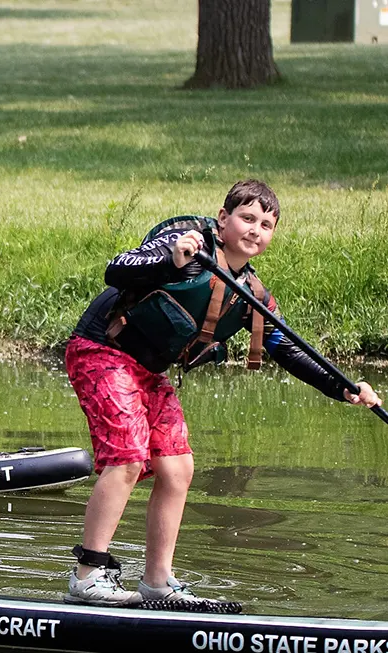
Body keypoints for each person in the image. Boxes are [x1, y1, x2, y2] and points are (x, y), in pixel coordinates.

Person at [63, 179, 381, 606]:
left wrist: (344, 388)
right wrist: (170, 261)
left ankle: (157, 581)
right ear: (223, 219)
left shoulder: (252, 295)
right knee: (128, 457)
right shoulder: (186, 245)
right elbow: (117, 270)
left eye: (266, 225)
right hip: (101, 351)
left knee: (179, 468)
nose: (255, 230)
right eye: (247, 218)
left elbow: (286, 348)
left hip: (148, 372)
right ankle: (88, 577)